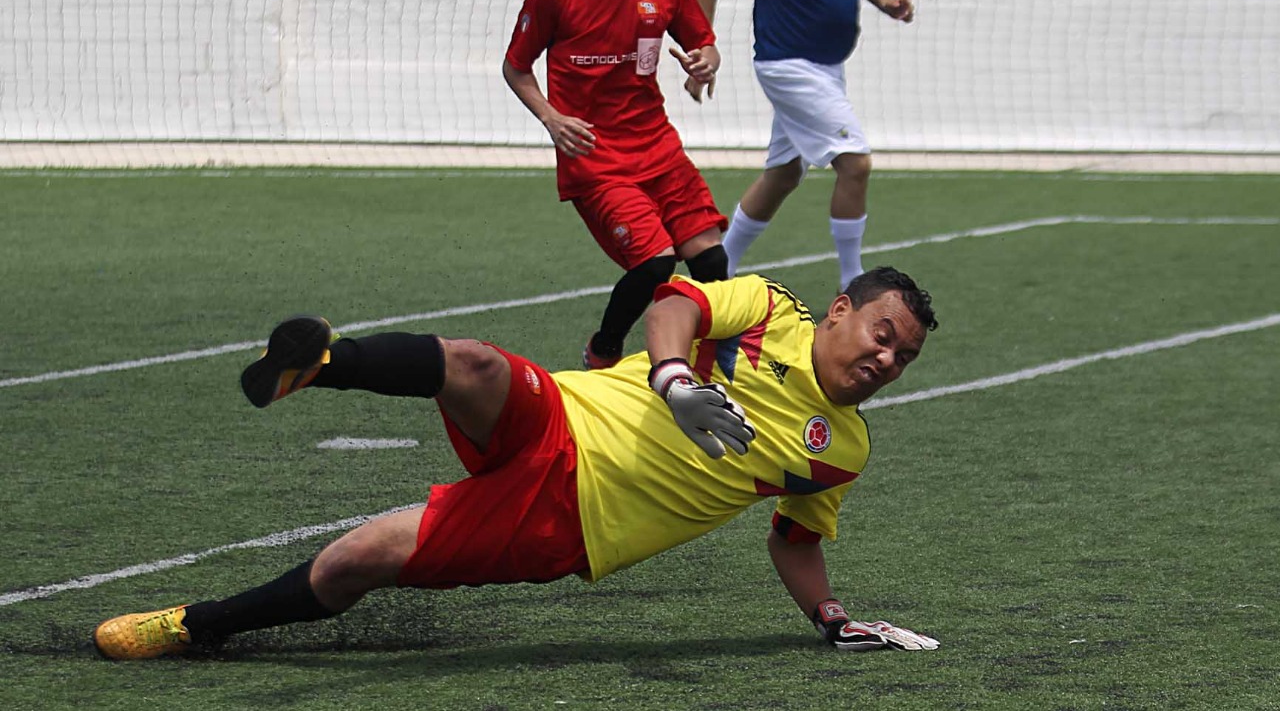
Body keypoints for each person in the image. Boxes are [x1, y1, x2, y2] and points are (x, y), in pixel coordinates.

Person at [93, 266, 941, 660]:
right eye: (882, 337)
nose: (886, 361)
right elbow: (674, 303)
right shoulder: (765, 309)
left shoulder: (841, 454)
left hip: (568, 522)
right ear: (840, 312)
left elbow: (795, 539)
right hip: (564, 416)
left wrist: (830, 616)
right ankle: (319, 366)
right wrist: (678, 378)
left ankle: (191, 626)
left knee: (361, 558)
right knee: (476, 363)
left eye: (901, 358)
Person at [502, 0, 729, 371]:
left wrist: (705, 61)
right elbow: (515, 66)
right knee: (655, 262)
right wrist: (551, 118)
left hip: (659, 148)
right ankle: (604, 350)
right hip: (595, 159)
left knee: (711, 261)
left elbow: (704, 43)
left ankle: (711, 362)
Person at [689, 0, 915, 290]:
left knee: (784, 174)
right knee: (855, 163)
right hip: (786, 65)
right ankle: (852, 280)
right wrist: (704, 44)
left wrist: (886, 1)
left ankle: (720, 268)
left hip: (830, 69)